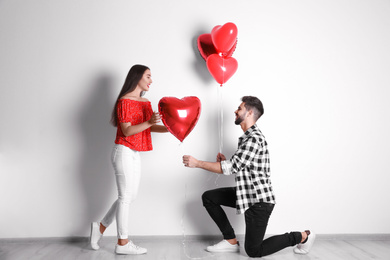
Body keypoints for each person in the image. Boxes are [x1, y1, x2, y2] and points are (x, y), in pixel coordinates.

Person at [182, 96, 315, 258]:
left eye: (239, 108)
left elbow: (233, 167)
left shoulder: (253, 138)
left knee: (254, 251)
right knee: (209, 197)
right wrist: (226, 162)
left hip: (259, 201)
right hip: (246, 194)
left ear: (250, 112)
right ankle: (230, 240)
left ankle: (303, 236)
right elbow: (243, 166)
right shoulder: (247, 138)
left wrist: (197, 163)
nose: (235, 111)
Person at [90, 64, 168, 255]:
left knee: (129, 196)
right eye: (148, 76)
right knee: (125, 197)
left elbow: (147, 127)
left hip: (134, 152)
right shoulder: (124, 101)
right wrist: (149, 122)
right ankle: (122, 243)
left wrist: (171, 128)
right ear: (137, 77)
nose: (151, 80)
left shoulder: (145, 102)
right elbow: (127, 130)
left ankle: (100, 227)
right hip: (123, 151)